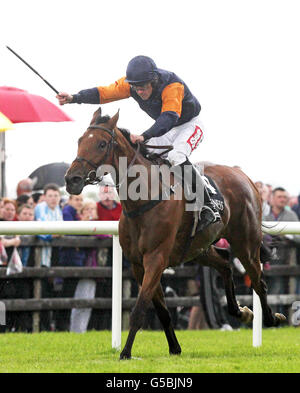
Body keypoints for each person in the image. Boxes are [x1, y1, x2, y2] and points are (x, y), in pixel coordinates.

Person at [56, 55, 221, 230]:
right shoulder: (132, 84)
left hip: (189, 124)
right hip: (165, 127)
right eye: (135, 88)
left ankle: (207, 204)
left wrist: (145, 135)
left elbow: (169, 116)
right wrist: (75, 97)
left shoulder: (172, 86)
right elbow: (105, 93)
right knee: (141, 154)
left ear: (154, 80)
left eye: (143, 87)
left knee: (176, 155)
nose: (139, 92)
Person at [264, 187, 300, 316]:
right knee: (268, 290)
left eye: (285, 197)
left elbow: (298, 237)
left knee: (283, 290)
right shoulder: (265, 217)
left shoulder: (291, 215)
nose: (283, 200)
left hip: (287, 261)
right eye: (279, 197)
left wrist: (287, 235)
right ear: (272, 199)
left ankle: (280, 319)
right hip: (267, 260)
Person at [34, 183, 63, 331]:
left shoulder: (59, 210)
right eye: (50, 196)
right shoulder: (40, 208)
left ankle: (49, 325)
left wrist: (55, 235)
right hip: (41, 256)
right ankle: (41, 326)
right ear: (45, 197)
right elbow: (42, 231)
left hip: (54, 254)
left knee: (53, 290)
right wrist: (53, 235)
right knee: (42, 289)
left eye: (56, 196)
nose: (53, 199)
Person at [56, 194, 85, 331]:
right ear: (69, 200)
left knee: (69, 292)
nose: (79, 202)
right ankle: (61, 325)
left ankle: (63, 325)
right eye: (76, 199)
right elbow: (70, 233)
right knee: (66, 293)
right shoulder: (68, 211)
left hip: (74, 257)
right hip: (69, 257)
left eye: (81, 200)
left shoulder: (76, 213)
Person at [70, 200, 98, 333]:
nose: (90, 212)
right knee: (79, 301)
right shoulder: (76, 226)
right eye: (86, 209)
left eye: (92, 209)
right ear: (81, 213)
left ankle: (81, 330)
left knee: (88, 301)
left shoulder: (99, 226)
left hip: (92, 270)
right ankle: (75, 330)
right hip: (77, 269)